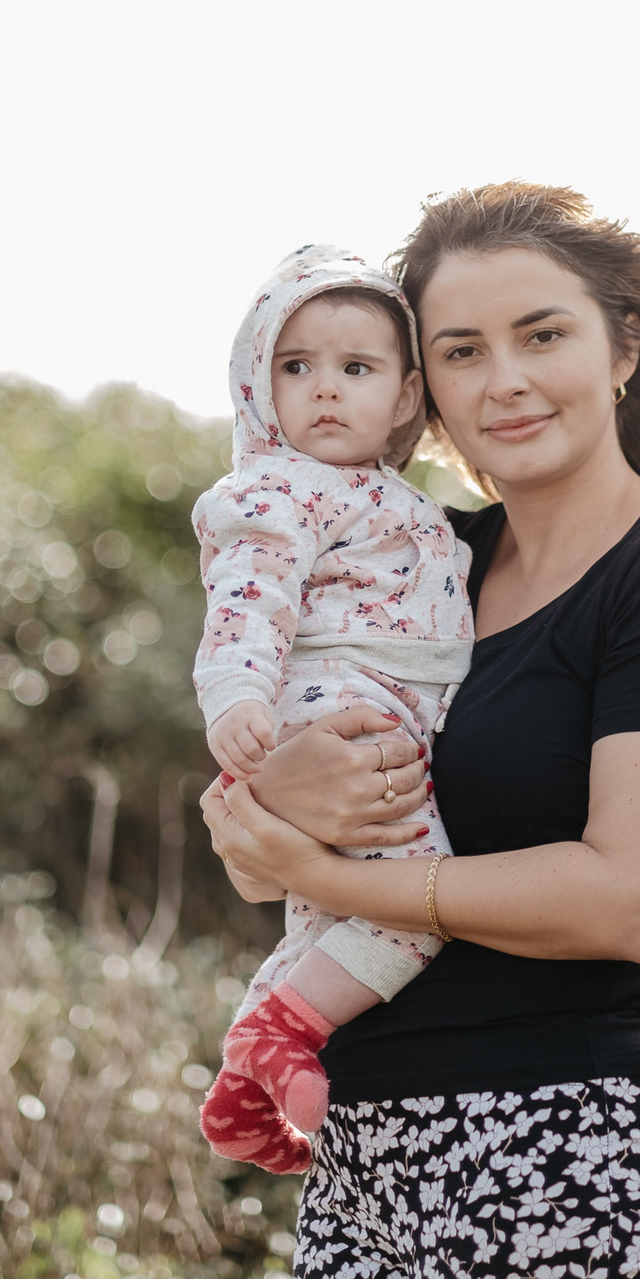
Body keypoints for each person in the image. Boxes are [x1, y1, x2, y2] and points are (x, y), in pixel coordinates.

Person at [202, 182, 640, 1279]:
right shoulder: (422, 562)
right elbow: (243, 858)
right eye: (462, 350)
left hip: (569, 1152)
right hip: (362, 1166)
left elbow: (631, 902)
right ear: (424, 392)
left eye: (542, 335)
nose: (504, 381)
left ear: (621, 348)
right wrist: (278, 792)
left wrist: (324, 871)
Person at [192, 244, 474, 1175]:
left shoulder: (395, 498)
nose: (323, 389)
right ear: (255, 383)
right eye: (295, 366)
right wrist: (234, 693)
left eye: (355, 369)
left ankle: (244, 1086)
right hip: (339, 702)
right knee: (417, 905)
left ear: (403, 396)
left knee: (323, 916)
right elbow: (248, 598)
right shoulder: (275, 488)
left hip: (385, 697)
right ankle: (283, 1027)